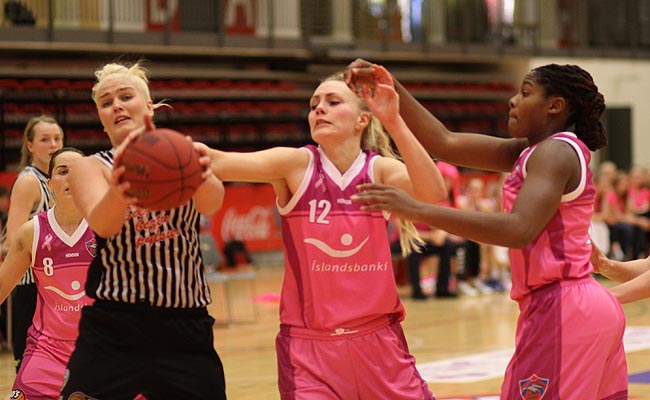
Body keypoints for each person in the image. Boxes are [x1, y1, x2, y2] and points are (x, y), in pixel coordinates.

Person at [347, 61, 628, 398]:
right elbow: (445, 142)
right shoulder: (533, 150)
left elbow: (518, 229)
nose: (513, 100)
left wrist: (418, 210)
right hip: (581, 306)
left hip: (564, 308)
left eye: (525, 93)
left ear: (555, 106)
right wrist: (392, 87)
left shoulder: (555, 152)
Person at [200, 68, 446, 399]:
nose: (319, 109)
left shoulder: (378, 170)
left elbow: (433, 193)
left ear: (362, 120)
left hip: (379, 344)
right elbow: (217, 161)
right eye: (314, 104)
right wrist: (150, 144)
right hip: (309, 354)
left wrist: (394, 121)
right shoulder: (295, 164)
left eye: (332, 102)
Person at [63, 61, 227, 399]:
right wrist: (123, 186)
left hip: (185, 326)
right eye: (106, 103)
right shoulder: (89, 167)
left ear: (149, 106)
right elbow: (104, 224)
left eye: (126, 97)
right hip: (113, 328)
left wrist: (197, 171)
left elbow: (212, 203)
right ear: (101, 118)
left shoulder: (181, 151)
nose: (117, 106)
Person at [0, 147, 94, 399]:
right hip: (47, 350)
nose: (71, 178)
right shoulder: (32, 232)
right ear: (50, 184)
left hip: (101, 347)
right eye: (63, 172)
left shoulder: (107, 227)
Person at [4, 115, 63, 372]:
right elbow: (14, 238)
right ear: (30, 146)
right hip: (33, 287)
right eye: (45, 139)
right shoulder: (29, 181)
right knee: (31, 369)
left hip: (57, 286)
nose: (53, 144)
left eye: (57, 138)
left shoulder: (60, 178)